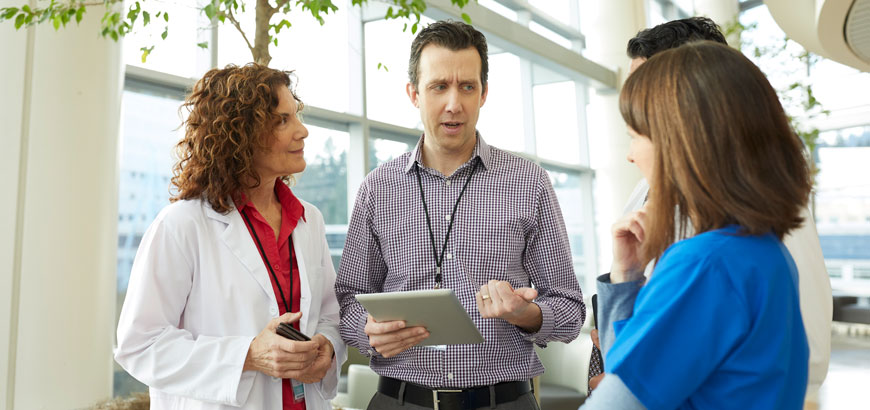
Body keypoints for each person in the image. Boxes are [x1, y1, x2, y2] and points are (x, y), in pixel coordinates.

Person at [334, 20, 585, 410]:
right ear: (414, 94)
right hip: (399, 400)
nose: (454, 103)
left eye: (467, 86)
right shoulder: (377, 188)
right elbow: (347, 300)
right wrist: (367, 331)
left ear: (484, 93)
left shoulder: (528, 182)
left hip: (504, 400)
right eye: (439, 87)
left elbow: (570, 309)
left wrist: (526, 313)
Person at [587, 18, 832, 402]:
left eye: (641, 128)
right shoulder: (759, 251)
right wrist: (625, 280)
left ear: (687, 120)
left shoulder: (707, 262)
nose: (630, 153)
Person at [115, 64, 346, 410]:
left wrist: (327, 347)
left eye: (295, 116)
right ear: (240, 135)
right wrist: (249, 355)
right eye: (283, 120)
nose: (302, 131)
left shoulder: (308, 220)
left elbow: (330, 314)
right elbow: (140, 344)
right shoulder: (182, 225)